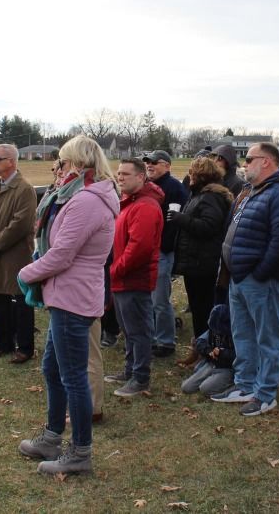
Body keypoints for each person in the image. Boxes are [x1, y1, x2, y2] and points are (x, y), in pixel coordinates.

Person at [17, 135, 119, 476]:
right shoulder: (82, 196)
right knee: (53, 369)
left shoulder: (87, 201)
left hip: (73, 298)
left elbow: (62, 254)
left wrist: (26, 274)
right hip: (67, 294)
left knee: (73, 376)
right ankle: (51, 437)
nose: (58, 169)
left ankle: (80, 453)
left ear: (77, 163)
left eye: (62, 162)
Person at [211, 142, 279, 417]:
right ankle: (246, 384)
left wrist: (260, 272)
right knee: (243, 333)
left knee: (268, 337)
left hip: (262, 280)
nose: (244, 163)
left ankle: (265, 394)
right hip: (240, 277)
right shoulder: (252, 190)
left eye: (249, 158)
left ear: (267, 162)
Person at [106, 158, 164, 397]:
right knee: (128, 329)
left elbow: (139, 248)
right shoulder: (129, 203)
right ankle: (130, 369)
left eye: (126, 174)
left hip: (133, 279)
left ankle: (141, 378)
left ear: (141, 177)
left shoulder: (146, 206)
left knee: (139, 331)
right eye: (118, 173)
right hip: (122, 279)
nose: (120, 177)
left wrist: (115, 270)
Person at [0, 144, 38, 362]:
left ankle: (24, 348)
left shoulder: (24, 189)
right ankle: (3, 344)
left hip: (16, 256)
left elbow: (21, 223)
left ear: (11, 162)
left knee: (21, 302)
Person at [171, 156, 233, 354]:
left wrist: (181, 219)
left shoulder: (210, 197)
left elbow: (209, 226)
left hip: (202, 263)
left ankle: (206, 351)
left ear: (201, 175)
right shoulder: (199, 194)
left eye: (192, 173)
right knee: (199, 309)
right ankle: (200, 349)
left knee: (203, 310)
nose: (189, 177)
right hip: (195, 261)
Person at [142, 150, 188, 358]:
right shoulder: (145, 187)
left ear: (167, 166)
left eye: (154, 162)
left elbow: (173, 224)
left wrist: (164, 247)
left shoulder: (174, 188)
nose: (149, 165)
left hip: (161, 251)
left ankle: (166, 341)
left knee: (160, 299)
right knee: (147, 298)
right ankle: (150, 338)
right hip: (146, 250)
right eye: (147, 162)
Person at [180, 303, 236, 396]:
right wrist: (208, 350)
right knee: (186, 387)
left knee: (205, 389)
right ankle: (211, 379)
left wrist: (222, 352)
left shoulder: (236, 333)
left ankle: (231, 384)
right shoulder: (212, 329)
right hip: (211, 364)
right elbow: (199, 342)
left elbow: (241, 356)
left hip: (228, 369)